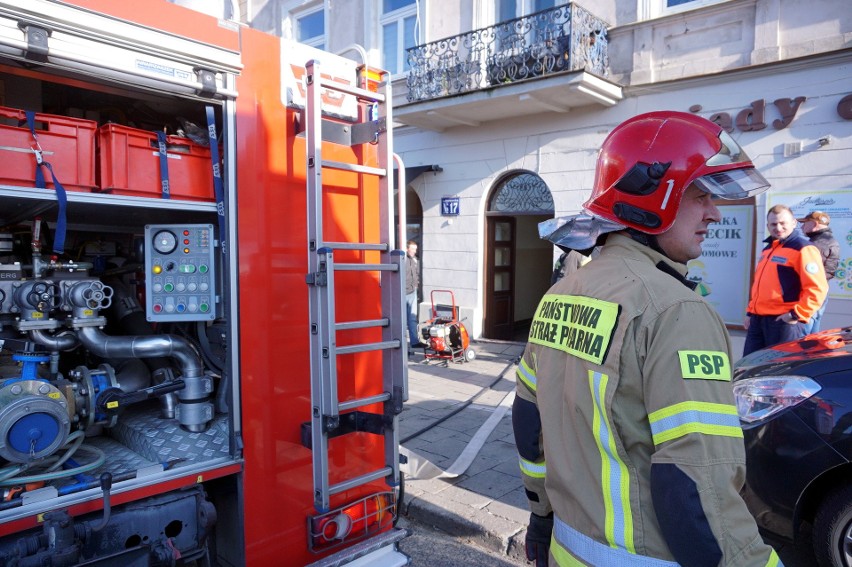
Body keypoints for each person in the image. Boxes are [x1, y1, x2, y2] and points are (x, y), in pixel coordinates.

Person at [512, 111, 781, 566]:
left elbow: (528, 421)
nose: (715, 214)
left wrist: (540, 517)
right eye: (701, 196)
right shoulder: (677, 311)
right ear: (655, 198)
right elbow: (697, 485)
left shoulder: (559, 293)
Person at [742, 205, 827, 356]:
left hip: (784, 322)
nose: (778, 227)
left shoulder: (803, 248)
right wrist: (750, 313)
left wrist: (796, 315)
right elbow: (760, 286)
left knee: (778, 371)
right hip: (758, 320)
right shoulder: (768, 249)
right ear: (768, 226)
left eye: (783, 223)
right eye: (773, 224)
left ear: (794, 223)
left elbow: (817, 288)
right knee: (749, 368)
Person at [798, 210, 839, 334]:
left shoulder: (814, 245)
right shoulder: (831, 241)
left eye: (805, 223)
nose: (801, 226)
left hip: (810, 294)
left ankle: (802, 353)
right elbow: (830, 271)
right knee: (814, 326)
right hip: (822, 291)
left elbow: (808, 273)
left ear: (814, 224)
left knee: (802, 333)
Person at [405, 240, 422, 348]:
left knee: (412, 317)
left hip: (412, 291)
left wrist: (416, 285)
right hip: (402, 292)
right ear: (407, 249)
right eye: (413, 249)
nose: (414, 251)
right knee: (402, 319)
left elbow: (416, 274)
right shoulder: (402, 259)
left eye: (415, 249)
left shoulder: (414, 260)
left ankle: (414, 341)